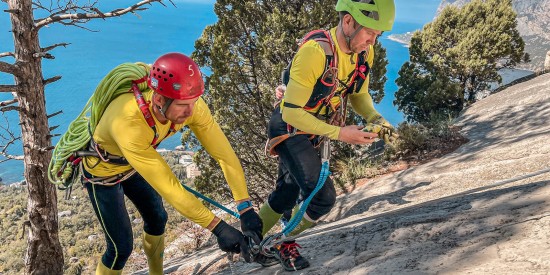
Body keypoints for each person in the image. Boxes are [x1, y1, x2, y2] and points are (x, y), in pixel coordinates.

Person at [78, 53, 262, 274]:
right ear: (158, 100)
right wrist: (219, 228)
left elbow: (224, 156)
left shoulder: (187, 102)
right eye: (184, 106)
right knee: (120, 248)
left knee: (158, 219)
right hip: (102, 175)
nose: (191, 112)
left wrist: (245, 207)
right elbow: (171, 188)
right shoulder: (129, 121)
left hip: (131, 166)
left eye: (194, 103)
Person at [258, 0, 397, 271]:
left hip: (313, 128)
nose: (372, 41)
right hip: (289, 126)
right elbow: (290, 113)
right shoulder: (315, 52)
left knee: (287, 193)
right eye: (370, 33)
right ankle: (281, 243)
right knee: (322, 197)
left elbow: (359, 95)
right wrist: (339, 134)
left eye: (377, 36)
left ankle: (250, 239)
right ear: (348, 22)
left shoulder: (363, 54)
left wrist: (377, 119)